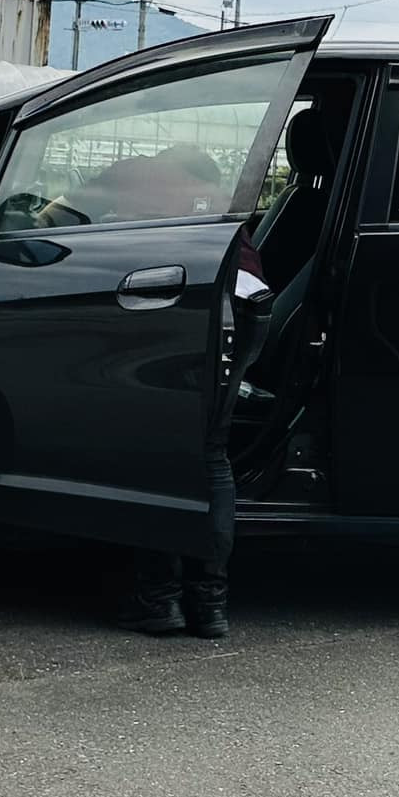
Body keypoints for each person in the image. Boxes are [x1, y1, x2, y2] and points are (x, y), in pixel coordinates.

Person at [119, 232, 272, 640]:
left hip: (194, 296)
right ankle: (209, 604)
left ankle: (159, 598)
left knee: (162, 448)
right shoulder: (214, 183)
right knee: (211, 451)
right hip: (245, 300)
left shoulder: (144, 184)